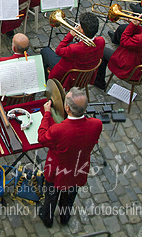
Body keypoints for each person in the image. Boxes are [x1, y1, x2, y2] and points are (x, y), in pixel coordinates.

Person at [38, 87, 102, 228]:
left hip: (57, 170)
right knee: (69, 197)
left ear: (66, 108)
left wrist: (47, 114)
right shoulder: (97, 124)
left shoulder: (58, 130)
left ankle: (47, 219)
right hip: (78, 169)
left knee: (51, 196)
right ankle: (64, 217)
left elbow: (42, 137)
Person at [95, 2, 142, 88]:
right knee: (123, 28)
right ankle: (114, 38)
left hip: (133, 67)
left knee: (102, 51)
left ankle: (99, 81)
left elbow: (124, 41)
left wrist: (131, 25)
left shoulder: (141, 39)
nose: (141, 15)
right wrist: (135, 25)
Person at [41, 12, 105, 87]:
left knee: (45, 51)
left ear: (82, 31)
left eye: (80, 26)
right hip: (86, 69)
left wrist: (70, 35)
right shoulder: (101, 40)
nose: (78, 26)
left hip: (70, 74)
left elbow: (58, 50)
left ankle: (48, 83)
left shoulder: (74, 48)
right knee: (69, 45)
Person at [0, 33, 30, 105]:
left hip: (7, 100)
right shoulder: (32, 60)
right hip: (26, 97)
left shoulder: (4, 61)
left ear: (14, 48)